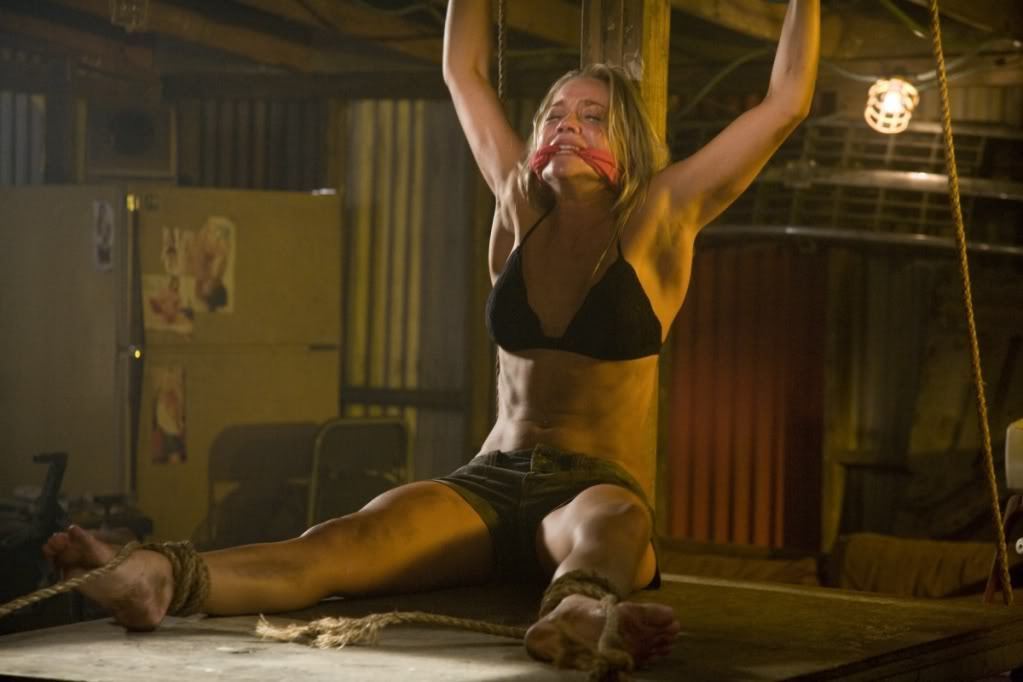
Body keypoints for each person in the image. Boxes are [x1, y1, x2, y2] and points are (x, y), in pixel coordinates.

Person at [42, 0, 818, 674]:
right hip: (490, 479)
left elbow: (785, 101)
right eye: (554, 114)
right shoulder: (517, 202)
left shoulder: (659, 216)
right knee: (343, 540)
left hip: (591, 489)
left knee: (612, 528)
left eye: (591, 117)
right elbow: (461, 70)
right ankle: (158, 578)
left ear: (628, 145)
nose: (566, 127)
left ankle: (576, 614)